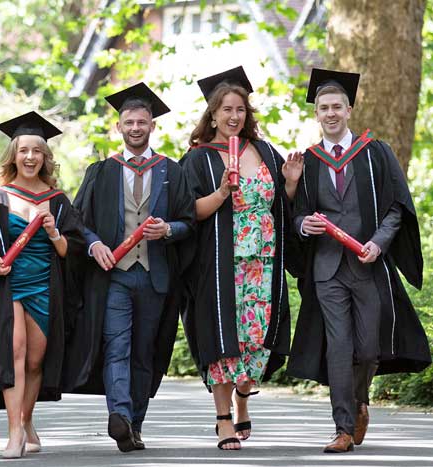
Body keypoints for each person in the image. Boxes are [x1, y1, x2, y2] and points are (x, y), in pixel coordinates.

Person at [287, 68, 431, 453]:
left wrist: (379, 244)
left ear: (349, 109)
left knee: (368, 349)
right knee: (338, 346)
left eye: (337, 106)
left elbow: (398, 207)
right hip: (327, 270)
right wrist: (304, 226)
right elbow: (297, 213)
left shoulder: (375, 153)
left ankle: (360, 399)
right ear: (316, 114)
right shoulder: (310, 162)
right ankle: (342, 428)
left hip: (367, 265)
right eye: (323, 108)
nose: (331, 113)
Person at [63, 83, 194, 452]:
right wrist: (94, 244)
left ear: (153, 126)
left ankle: (134, 423)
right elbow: (77, 221)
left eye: (142, 122)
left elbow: (188, 222)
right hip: (115, 275)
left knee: (144, 352)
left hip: (155, 275)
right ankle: (118, 414)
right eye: (128, 122)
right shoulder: (101, 171)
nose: (135, 128)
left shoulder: (172, 171)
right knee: (117, 345)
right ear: (118, 127)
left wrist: (168, 229)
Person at [179, 66, 303, 451]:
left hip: (262, 262)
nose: (234, 116)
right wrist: (220, 193)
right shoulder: (199, 159)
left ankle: (243, 399)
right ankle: (223, 420)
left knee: (255, 336)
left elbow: (280, 204)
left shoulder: (265, 151)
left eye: (241, 110)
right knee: (222, 338)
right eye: (226, 109)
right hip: (219, 264)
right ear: (212, 114)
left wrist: (292, 183)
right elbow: (189, 211)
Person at [0, 111, 84, 458]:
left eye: (37, 151)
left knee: (36, 360)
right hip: (8, 285)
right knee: (14, 352)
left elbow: (73, 251)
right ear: (14, 156)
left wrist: (53, 233)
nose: (30, 157)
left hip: (44, 285)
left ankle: (27, 417)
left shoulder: (59, 200)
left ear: (46, 158)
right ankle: (14, 431)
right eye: (23, 150)